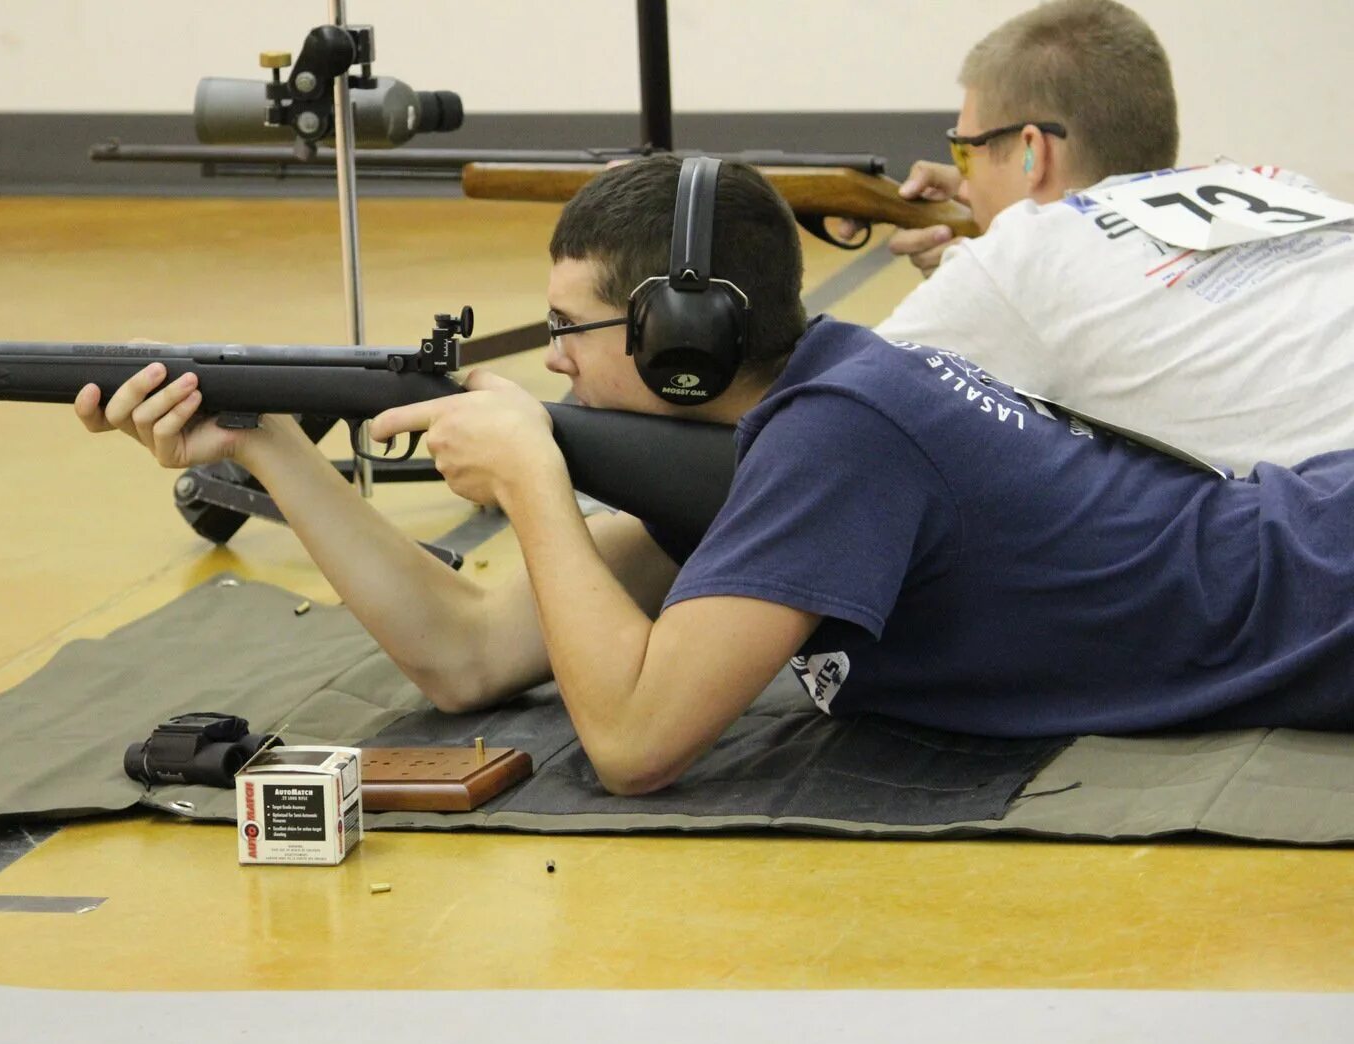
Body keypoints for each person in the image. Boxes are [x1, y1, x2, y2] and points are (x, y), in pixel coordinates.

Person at [76, 155, 1354, 797]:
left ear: (682, 342)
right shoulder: (798, 420)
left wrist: (531, 480)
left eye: (569, 328)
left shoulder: (835, 435)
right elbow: (463, 654)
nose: (556, 364)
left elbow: (633, 742)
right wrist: (273, 447)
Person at [842, 0, 1354, 474]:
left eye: (964, 152)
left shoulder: (1018, 258)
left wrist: (982, 263)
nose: (963, 179)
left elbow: (825, 411)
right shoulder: (1274, 184)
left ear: (1031, 151)